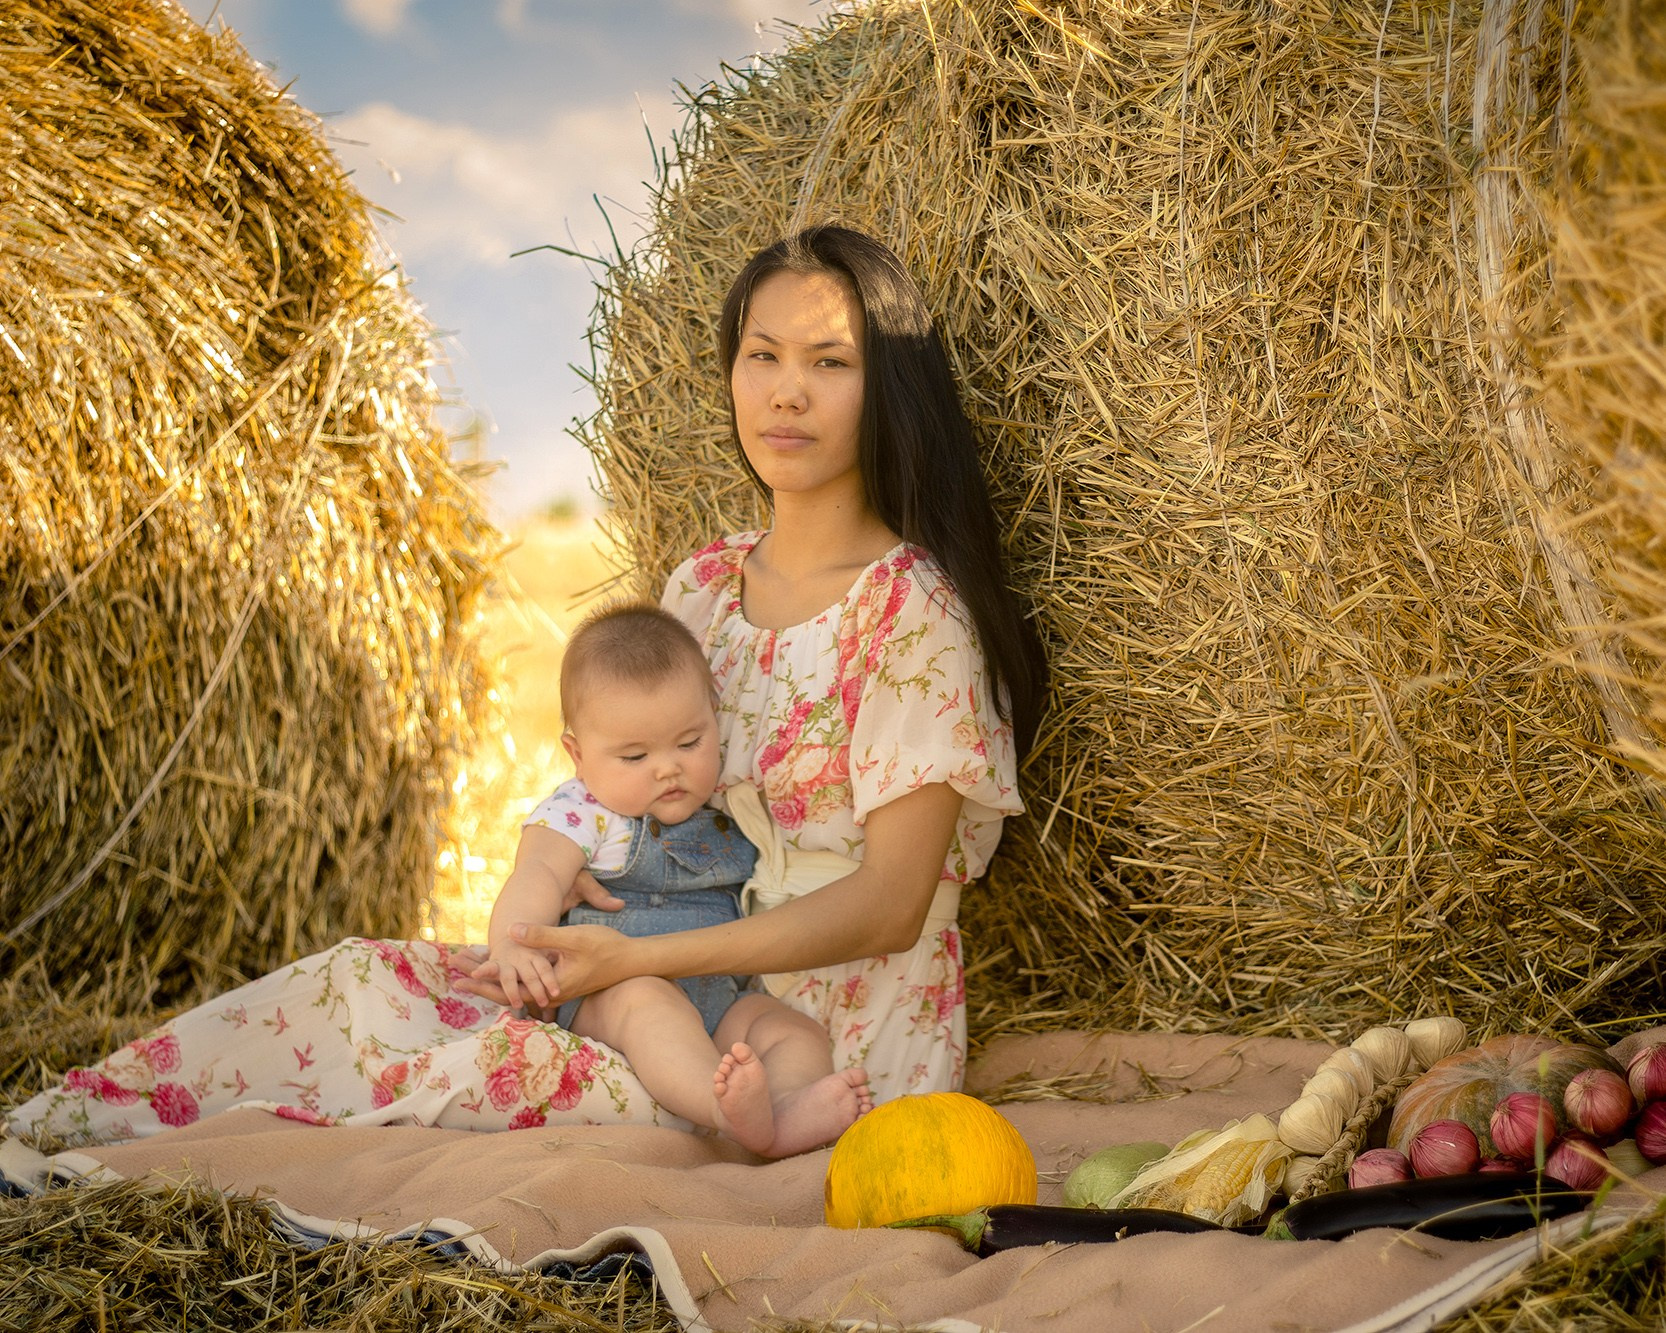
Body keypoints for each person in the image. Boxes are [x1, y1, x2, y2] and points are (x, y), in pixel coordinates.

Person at [6, 223, 1045, 1147]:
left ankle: (178, 1142)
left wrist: (633, 960)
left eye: (829, 361)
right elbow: (599, 793)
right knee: (363, 981)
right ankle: (77, 1122)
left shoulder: (912, 613)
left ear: (888, 389)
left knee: (446, 1072)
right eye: (760, 354)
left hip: (821, 1030)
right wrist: (538, 915)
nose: (784, 390)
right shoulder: (699, 590)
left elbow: (891, 906)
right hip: (640, 967)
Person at [492, 599, 872, 1157]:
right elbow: (538, 873)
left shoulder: (730, 804)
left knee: (791, 1031)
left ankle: (784, 1111)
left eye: (689, 743)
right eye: (634, 755)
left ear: (715, 718)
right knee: (650, 1004)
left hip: (719, 995)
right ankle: (724, 1110)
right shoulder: (583, 812)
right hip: (610, 994)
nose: (668, 768)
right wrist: (511, 941)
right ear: (577, 754)